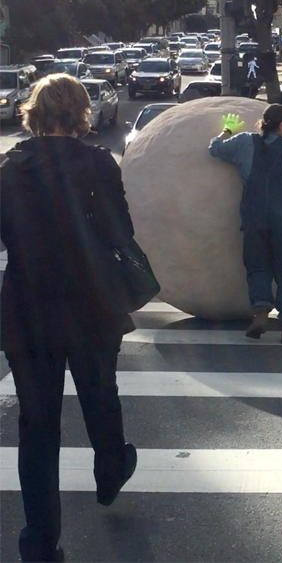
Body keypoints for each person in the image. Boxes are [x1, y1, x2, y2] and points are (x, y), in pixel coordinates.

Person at [0, 75, 137, 563]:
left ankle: (40, 543)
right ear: (81, 111)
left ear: (34, 113)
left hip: (27, 309)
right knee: (100, 394)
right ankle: (111, 468)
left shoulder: (10, 167)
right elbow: (121, 232)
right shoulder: (98, 163)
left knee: (37, 428)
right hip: (91, 305)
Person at [209, 104, 282, 344]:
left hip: (253, 213)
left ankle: (260, 313)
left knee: (257, 264)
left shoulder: (243, 141)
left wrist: (226, 130)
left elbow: (215, 149)